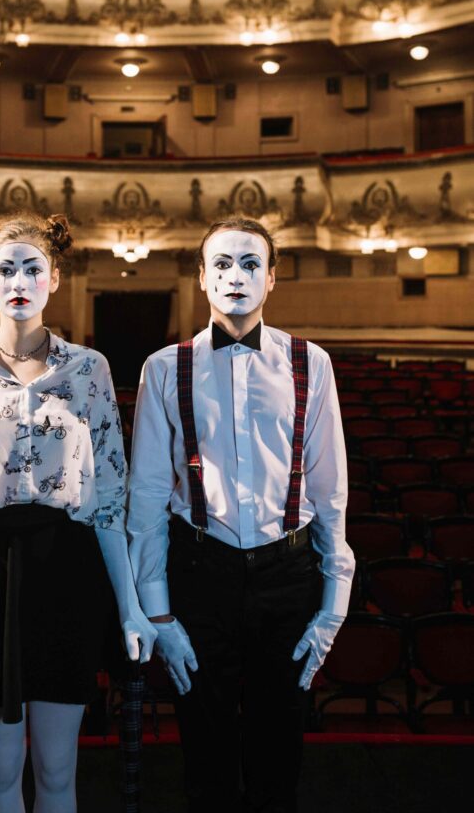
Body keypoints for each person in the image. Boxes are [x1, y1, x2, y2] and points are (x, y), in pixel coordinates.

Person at [0, 210, 156, 813]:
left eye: (32, 268)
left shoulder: (90, 369)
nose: (18, 281)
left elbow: (109, 503)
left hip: (66, 570)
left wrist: (130, 608)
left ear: (55, 279)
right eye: (5, 269)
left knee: (57, 769)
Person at [127, 216, 355, 813]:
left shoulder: (312, 362)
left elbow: (330, 493)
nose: (236, 276)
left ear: (272, 278)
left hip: (289, 574)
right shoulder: (163, 368)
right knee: (205, 759)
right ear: (202, 278)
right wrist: (158, 613)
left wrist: (333, 606)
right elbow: (147, 500)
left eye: (251, 264)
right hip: (200, 574)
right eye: (222, 264)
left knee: (279, 756)